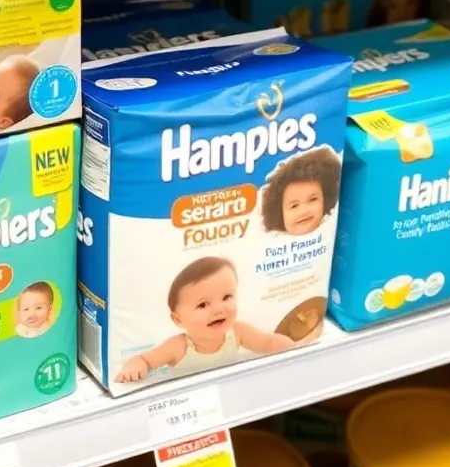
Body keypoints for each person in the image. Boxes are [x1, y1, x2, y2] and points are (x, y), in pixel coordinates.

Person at [115, 258, 296, 384]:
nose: (219, 309)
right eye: (203, 305)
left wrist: (295, 346)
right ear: (178, 319)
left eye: (226, 297)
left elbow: (269, 343)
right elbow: (144, 360)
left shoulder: (239, 332)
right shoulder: (179, 347)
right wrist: (135, 367)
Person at [259, 147, 342, 235]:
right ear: (280, 214)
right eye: (294, 206)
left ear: (326, 201)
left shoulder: (332, 227)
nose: (303, 211)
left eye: (312, 199)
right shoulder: (269, 240)